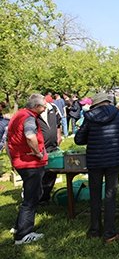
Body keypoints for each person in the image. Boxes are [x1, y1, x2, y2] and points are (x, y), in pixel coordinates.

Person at [75, 92, 119, 244]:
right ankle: (109, 232)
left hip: (94, 160)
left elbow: (79, 139)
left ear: (95, 105)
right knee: (110, 196)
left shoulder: (89, 118)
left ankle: (95, 230)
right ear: (108, 102)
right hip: (114, 160)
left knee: (95, 196)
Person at [7, 93, 48, 245]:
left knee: (29, 196)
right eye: (44, 106)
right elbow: (30, 136)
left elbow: (8, 141)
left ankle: (18, 226)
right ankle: (23, 234)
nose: (45, 109)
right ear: (37, 106)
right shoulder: (29, 118)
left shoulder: (18, 115)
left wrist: (12, 159)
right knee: (31, 199)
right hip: (30, 164)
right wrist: (38, 153)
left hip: (19, 161)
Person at [38, 100, 62, 205]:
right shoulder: (32, 113)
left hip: (52, 146)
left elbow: (58, 124)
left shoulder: (53, 108)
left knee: (52, 172)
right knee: (39, 173)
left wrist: (59, 136)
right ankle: (36, 198)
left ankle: (45, 197)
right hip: (39, 148)